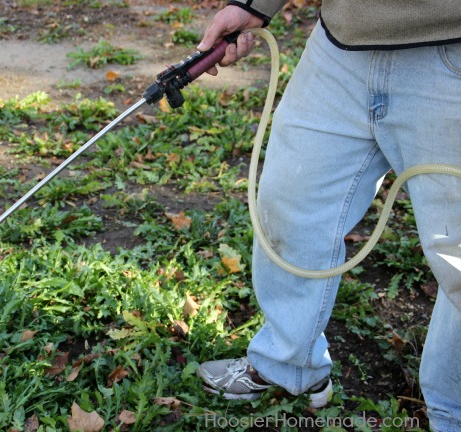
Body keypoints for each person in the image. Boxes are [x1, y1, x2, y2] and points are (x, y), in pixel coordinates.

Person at [194, 1, 461, 430]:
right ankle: (286, 363)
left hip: (451, 51)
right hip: (341, 42)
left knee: (458, 256)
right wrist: (254, 5)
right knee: (290, 201)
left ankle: (453, 413)